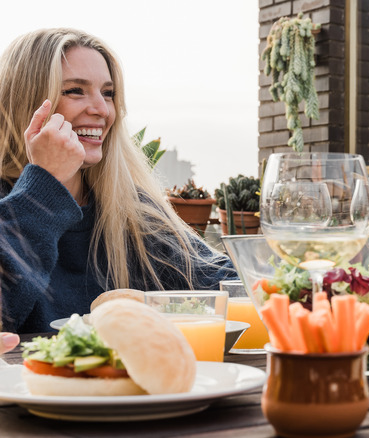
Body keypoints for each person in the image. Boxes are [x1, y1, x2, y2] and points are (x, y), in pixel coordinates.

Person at [0, 28, 237, 334]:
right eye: (75, 90)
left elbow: (224, 283)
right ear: (26, 102)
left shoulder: (129, 209)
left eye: (108, 93)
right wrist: (46, 183)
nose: (102, 109)